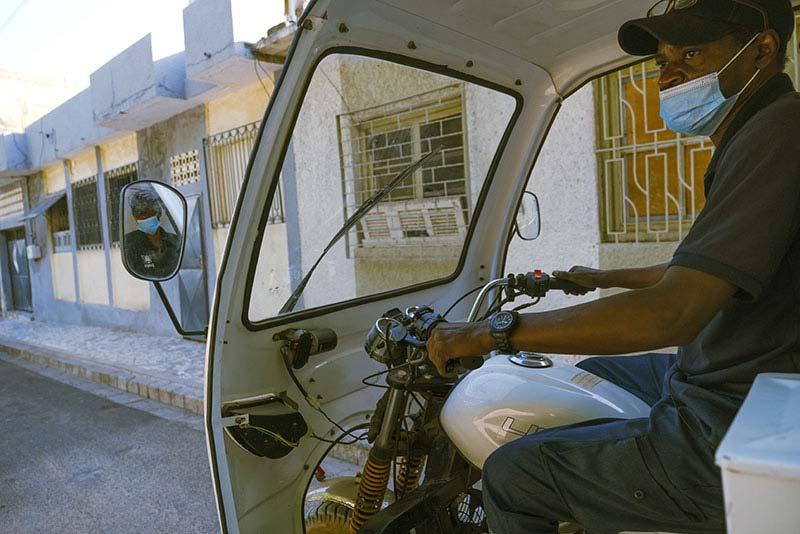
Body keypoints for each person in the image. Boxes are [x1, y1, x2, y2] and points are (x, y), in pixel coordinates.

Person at [426, 1, 800, 533]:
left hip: (738, 415)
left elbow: (673, 311)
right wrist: (602, 278)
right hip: (729, 379)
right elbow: (704, 270)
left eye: (690, 55)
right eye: (663, 61)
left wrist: (491, 333)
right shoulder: (758, 133)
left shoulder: (777, 134)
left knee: (515, 475)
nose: (670, 75)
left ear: (762, 50)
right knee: (587, 373)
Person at [124, 184, 181, 279]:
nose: (143, 216)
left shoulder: (174, 241)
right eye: (138, 213)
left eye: (147, 211)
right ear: (134, 217)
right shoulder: (129, 243)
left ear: (158, 212)